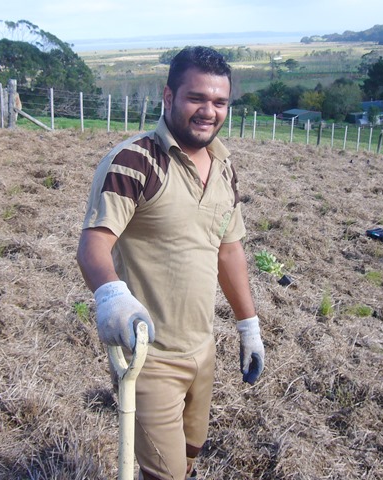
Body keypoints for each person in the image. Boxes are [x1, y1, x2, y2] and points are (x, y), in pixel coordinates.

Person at [76, 46, 265, 480]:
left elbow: (229, 250)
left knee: (191, 454)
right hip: (150, 357)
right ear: (168, 96)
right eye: (196, 98)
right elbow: (93, 244)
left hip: (203, 348)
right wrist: (111, 296)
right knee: (166, 473)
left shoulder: (224, 167)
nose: (209, 111)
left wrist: (248, 326)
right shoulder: (134, 161)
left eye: (219, 102)